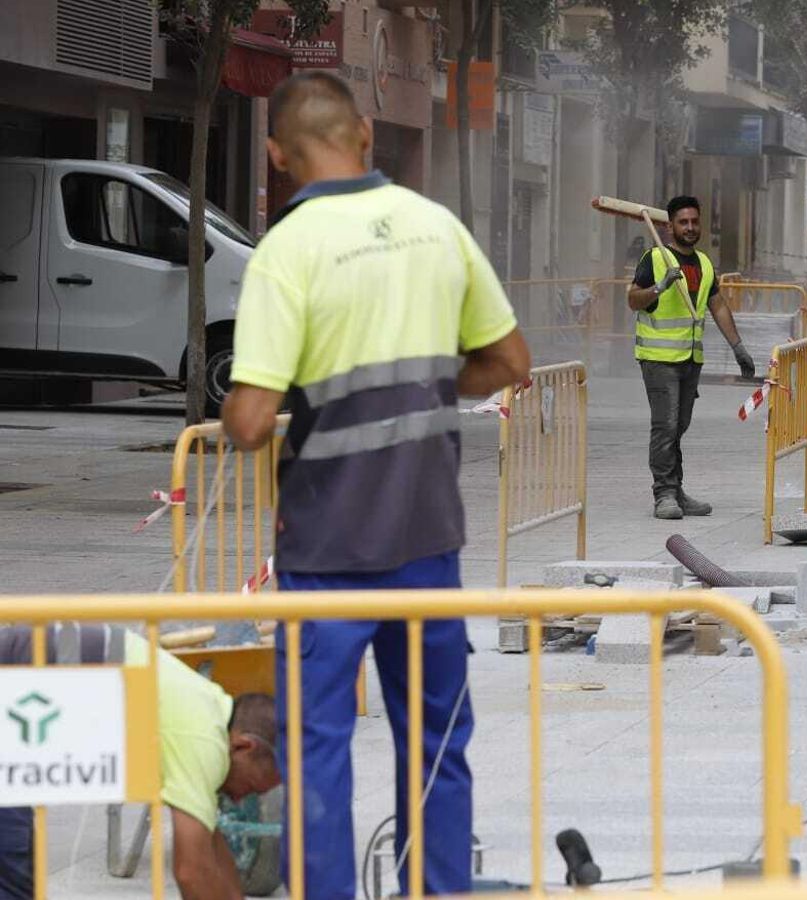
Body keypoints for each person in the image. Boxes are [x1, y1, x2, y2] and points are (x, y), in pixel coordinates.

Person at [221, 71, 530, 897]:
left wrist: (253, 398)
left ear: (278, 155)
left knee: (317, 746)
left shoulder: (286, 250)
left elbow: (250, 421)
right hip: (428, 539)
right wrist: (427, 386)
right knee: (435, 743)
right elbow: (509, 363)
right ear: (365, 131)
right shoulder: (438, 228)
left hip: (326, 550)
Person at [0, 624, 279, 900]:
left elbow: (212, 851)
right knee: (13, 862)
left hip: (22, 682)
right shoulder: (203, 741)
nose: (243, 800)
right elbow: (191, 872)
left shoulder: (210, 713)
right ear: (243, 746)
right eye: (252, 787)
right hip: (14, 681)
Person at [627, 196, 755, 520]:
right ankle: (664, 494)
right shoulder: (655, 258)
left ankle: (676, 490)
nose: (690, 227)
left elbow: (718, 305)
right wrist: (659, 287)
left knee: (678, 426)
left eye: (694, 221)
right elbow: (632, 299)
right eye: (683, 222)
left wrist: (738, 347)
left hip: (690, 359)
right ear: (669, 227)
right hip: (658, 358)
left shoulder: (704, 264)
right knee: (666, 425)